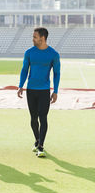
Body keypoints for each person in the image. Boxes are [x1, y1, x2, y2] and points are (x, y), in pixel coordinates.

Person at [17, 27, 60, 157]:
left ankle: (41, 146)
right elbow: (24, 70)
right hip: (31, 90)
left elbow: (57, 73)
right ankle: (37, 140)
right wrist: (20, 86)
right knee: (33, 118)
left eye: (35, 37)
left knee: (43, 117)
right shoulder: (29, 52)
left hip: (44, 91)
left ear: (42, 38)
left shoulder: (53, 54)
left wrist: (55, 91)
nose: (33, 39)